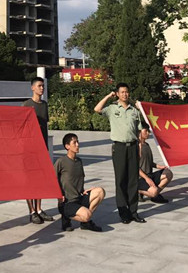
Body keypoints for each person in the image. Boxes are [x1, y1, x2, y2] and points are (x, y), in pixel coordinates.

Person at [94, 83, 145, 224]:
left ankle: (133, 212)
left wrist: (140, 147)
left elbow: (139, 131)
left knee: (133, 180)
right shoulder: (112, 108)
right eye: (122, 92)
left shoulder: (134, 111)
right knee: (121, 180)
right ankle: (123, 213)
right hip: (119, 148)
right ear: (117, 93)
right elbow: (97, 109)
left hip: (133, 147)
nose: (125, 94)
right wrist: (108, 96)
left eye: (126, 92)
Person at [54, 133, 105, 232]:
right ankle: (66, 217)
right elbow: (52, 179)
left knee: (100, 191)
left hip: (79, 198)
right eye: (74, 142)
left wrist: (83, 190)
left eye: (78, 142)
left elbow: (78, 179)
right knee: (87, 215)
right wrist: (58, 195)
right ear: (67, 146)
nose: (77, 144)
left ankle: (85, 223)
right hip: (67, 203)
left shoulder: (79, 161)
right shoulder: (61, 161)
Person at [22, 76, 54, 224]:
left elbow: (44, 125)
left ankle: (39, 209)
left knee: (40, 180)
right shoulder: (27, 105)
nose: (42, 88)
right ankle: (32, 211)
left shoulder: (44, 105)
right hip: (29, 149)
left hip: (42, 148)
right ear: (32, 88)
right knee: (30, 181)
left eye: (43, 86)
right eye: (39, 86)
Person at [138, 124, 173, 203]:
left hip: (149, 175)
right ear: (139, 132)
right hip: (140, 178)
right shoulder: (135, 147)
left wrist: (160, 167)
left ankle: (155, 194)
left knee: (168, 173)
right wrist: (147, 179)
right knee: (153, 192)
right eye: (146, 131)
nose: (148, 133)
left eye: (148, 131)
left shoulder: (146, 145)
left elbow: (150, 163)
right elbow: (134, 167)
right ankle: (137, 191)